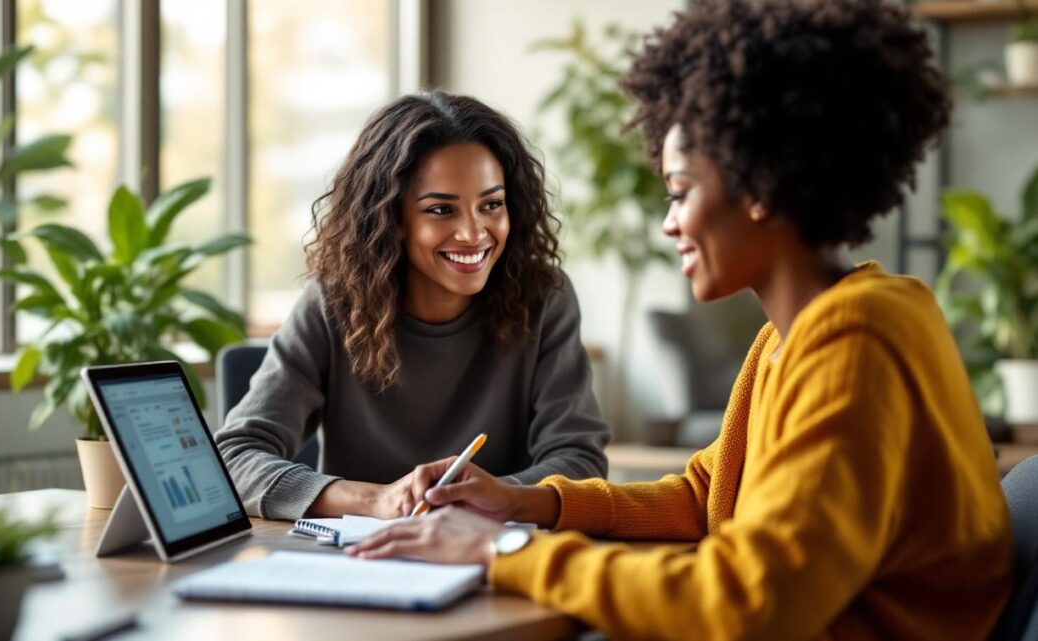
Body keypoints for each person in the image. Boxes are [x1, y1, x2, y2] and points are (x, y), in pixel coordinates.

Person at [347, 2, 1014, 639]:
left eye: (681, 192)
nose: (669, 224)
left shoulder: (856, 341)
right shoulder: (804, 332)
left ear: (758, 184)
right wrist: (527, 503)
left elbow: (749, 599)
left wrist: (505, 548)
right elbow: (706, 496)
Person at [215, 92, 610, 522]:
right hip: (357, 563)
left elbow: (579, 461)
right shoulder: (333, 303)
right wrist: (376, 500)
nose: (473, 233)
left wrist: (493, 497)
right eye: (441, 210)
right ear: (393, 219)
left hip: (492, 558)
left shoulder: (543, 298)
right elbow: (234, 459)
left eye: (491, 205)